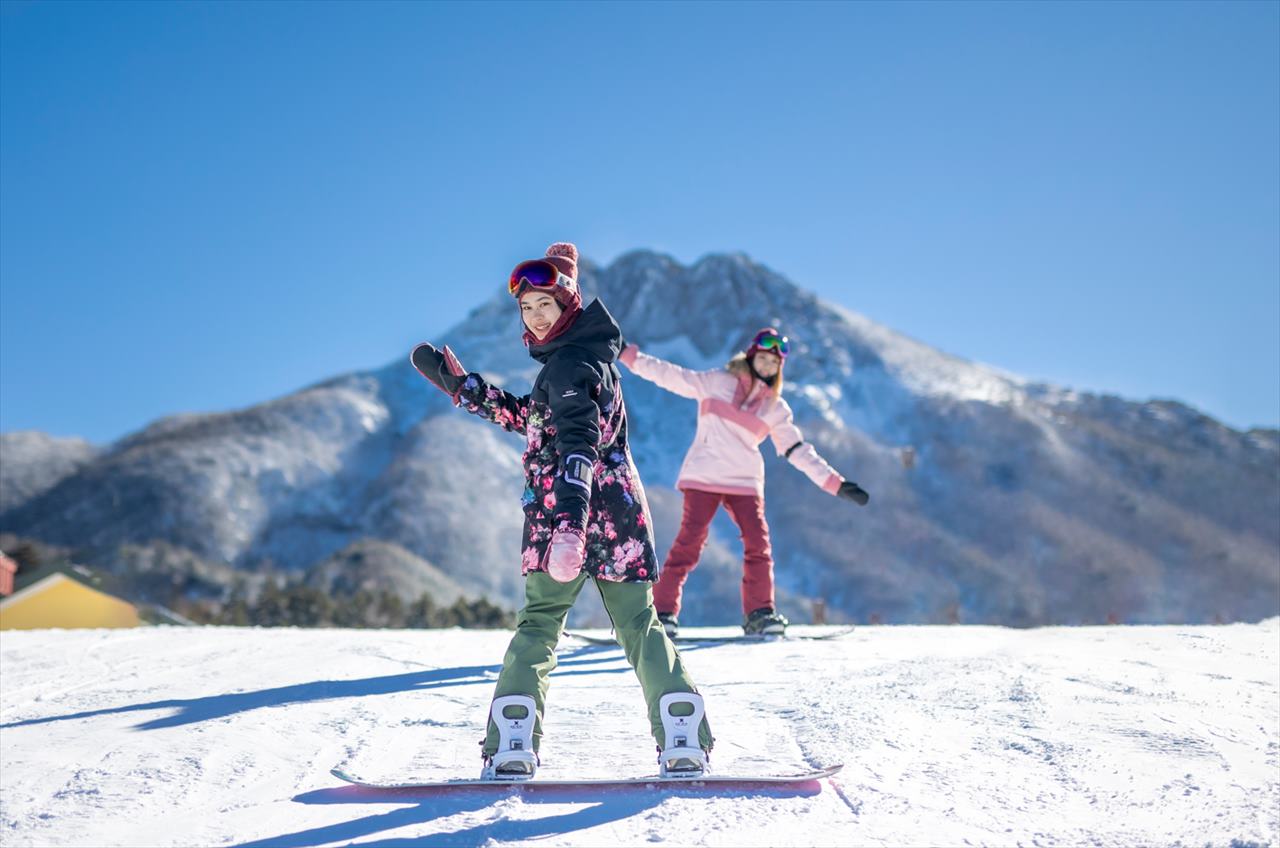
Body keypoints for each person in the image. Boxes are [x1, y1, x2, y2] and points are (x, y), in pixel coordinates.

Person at [410, 242, 713, 780]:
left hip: (564, 521)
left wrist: (571, 525)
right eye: (527, 309)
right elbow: (537, 421)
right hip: (617, 520)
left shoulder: (571, 364)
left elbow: (577, 442)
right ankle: (683, 739)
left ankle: (510, 746)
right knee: (641, 626)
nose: (536, 316)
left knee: (540, 626)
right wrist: (466, 390)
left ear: (568, 302)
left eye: (545, 305)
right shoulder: (580, 360)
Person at [618, 328, 870, 636]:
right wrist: (630, 356)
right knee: (689, 545)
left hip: (745, 482)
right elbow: (672, 375)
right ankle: (663, 613)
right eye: (763, 358)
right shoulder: (717, 382)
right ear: (751, 357)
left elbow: (798, 450)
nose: (767, 366)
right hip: (704, 476)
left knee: (758, 545)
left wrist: (835, 483)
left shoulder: (776, 409)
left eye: (774, 363)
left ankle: (760, 614)